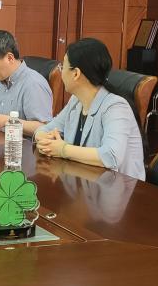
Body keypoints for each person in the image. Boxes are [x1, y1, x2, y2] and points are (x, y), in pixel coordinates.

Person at [34, 38, 145, 180]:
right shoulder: (76, 101)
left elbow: (111, 156)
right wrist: (44, 139)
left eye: (63, 67)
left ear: (76, 73)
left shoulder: (116, 107)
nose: (61, 72)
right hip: (84, 183)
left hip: (118, 188)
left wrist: (62, 149)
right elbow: (46, 129)